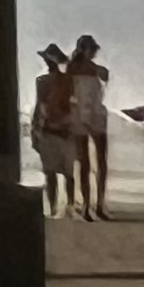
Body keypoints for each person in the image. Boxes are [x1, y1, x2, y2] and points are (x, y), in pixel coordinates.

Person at [64, 33, 111, 220]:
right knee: (85, 161)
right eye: (91, 50)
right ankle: (86, 204)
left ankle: (98, 203)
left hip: (94, 113)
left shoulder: (91, 68)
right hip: (80, 114)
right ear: (83, 50)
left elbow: (105, 76)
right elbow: (67, 91)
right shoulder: (72, 69)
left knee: (101, 161)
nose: (93, 54)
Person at [31, 45, 79, 219]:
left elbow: (39, 108)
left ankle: (53, 208)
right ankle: (70, 206)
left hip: (49, 130)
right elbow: (75, 106)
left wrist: (34, 130)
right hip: (66, 130)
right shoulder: (69, 81)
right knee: (68, 173)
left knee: (50, 173)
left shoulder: (42, 81)